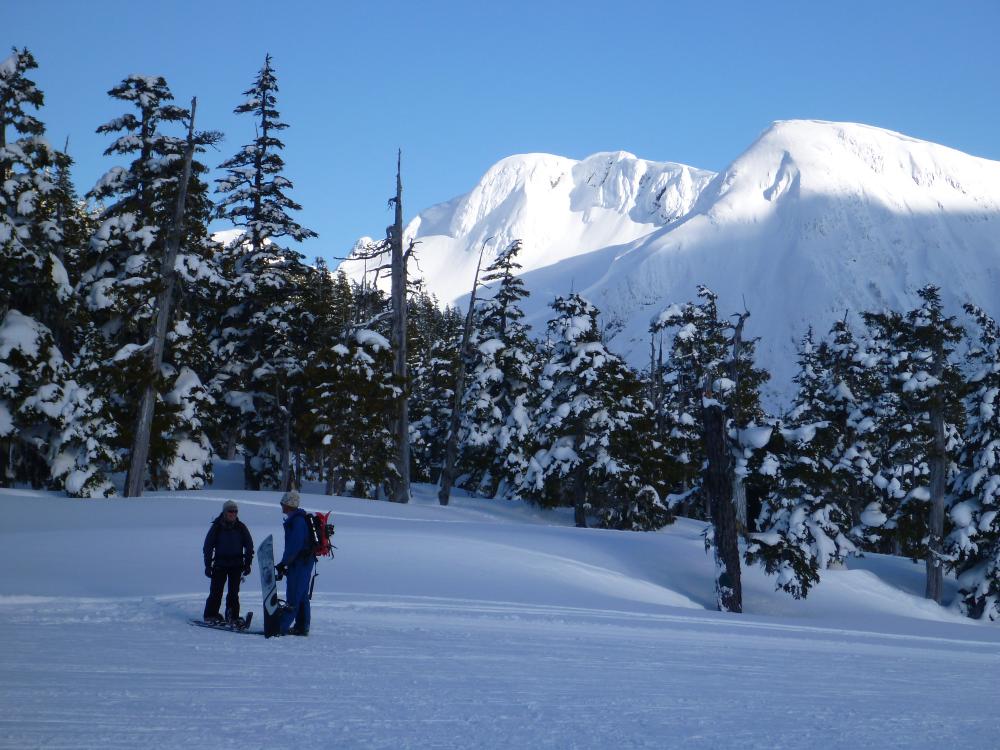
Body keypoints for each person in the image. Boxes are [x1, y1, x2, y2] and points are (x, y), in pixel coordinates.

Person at [203, 500, 254, 625]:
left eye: (235, 511)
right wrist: (208, 566)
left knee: (233, 593)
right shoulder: (217, 527)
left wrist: (247, 564)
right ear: (225, 512)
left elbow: (249, 545)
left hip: (236, 565)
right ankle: (210, 615)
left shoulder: (241, 527)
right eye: (230, 511)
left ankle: (232, 616)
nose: (233, 514)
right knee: (216, 591)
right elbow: (208, 547)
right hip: (220, 564)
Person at [275, 489, 314, 636]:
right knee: (302, 594)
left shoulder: (297, 521)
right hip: (304, 562)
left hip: (300, 563)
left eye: (283, 503)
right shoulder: (298, 519)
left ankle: (280, 627)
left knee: (294, 595)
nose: (281, 505)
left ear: (289, 504)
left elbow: (294, 545)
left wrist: (284, 563)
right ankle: (302, 626)